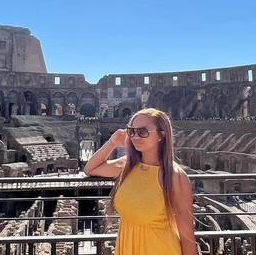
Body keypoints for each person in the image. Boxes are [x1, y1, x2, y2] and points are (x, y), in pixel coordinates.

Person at [84, 108, 196, 255]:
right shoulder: (127, 165)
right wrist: (112, 142)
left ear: (161, 135)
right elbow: (90, 169)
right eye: (132, 131)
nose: (135, 136)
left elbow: (187, 236)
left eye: (142, 131)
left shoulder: (175, 176)